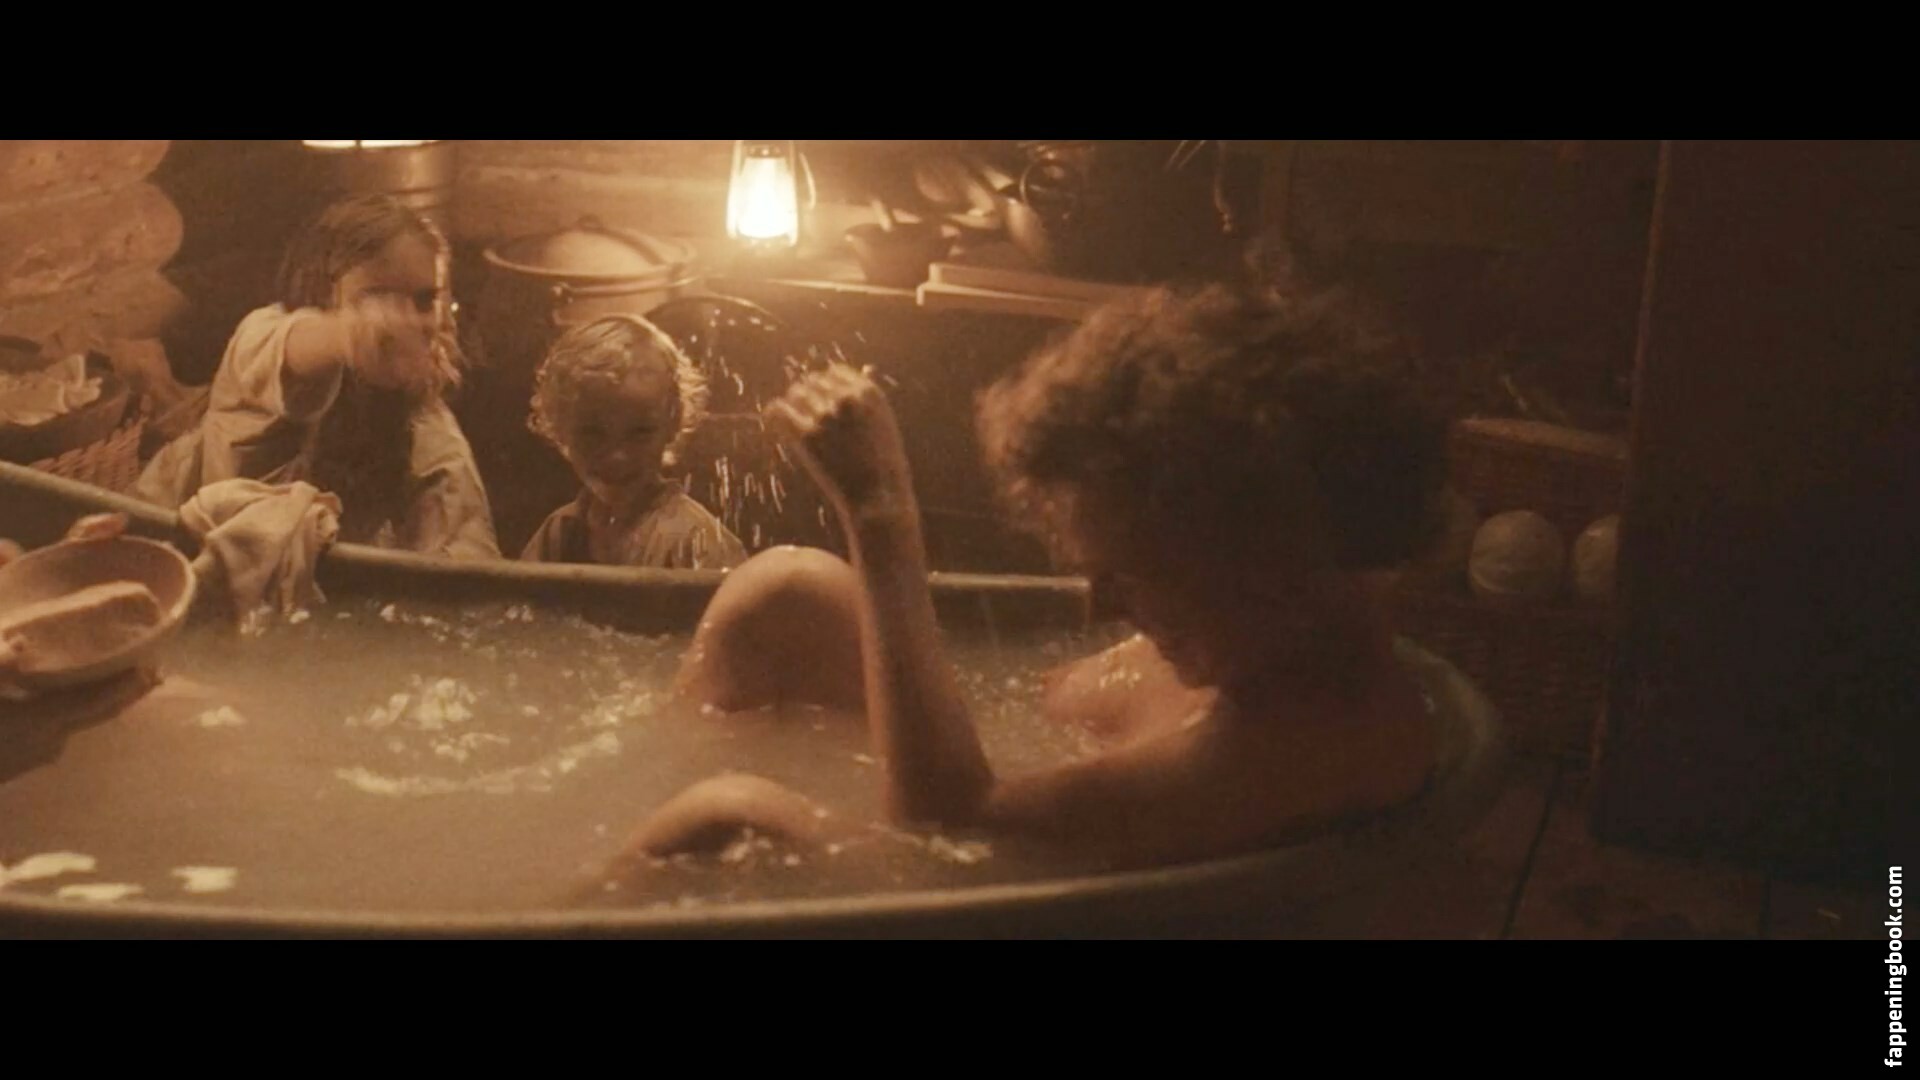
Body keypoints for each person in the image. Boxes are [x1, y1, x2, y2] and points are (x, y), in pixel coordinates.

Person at [615, 283, 1451, 872]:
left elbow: (948, 839)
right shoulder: (1265, 641)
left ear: (1261, 555)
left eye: (1134, 572)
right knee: (787, 589)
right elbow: (1036, 717)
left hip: (1003, 903)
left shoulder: (1307, 745)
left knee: (726, 818)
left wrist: (880, 515)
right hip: (1007, 822)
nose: (1101, 601)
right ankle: (610, 804)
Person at [132, 195, 499, 559]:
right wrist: (352, 334)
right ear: (321, 291)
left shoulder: (425, 423)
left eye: (423, 300)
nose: (407, 321)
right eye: (377, 297)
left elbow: (466, 549)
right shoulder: (261, 344)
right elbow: (289, 347)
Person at [520, 315, 745, 569]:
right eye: (592, 433)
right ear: (560, 428)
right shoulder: (559, 533)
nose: (617, 455)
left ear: (672, 425)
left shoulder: (694, 541)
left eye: (640, 432)